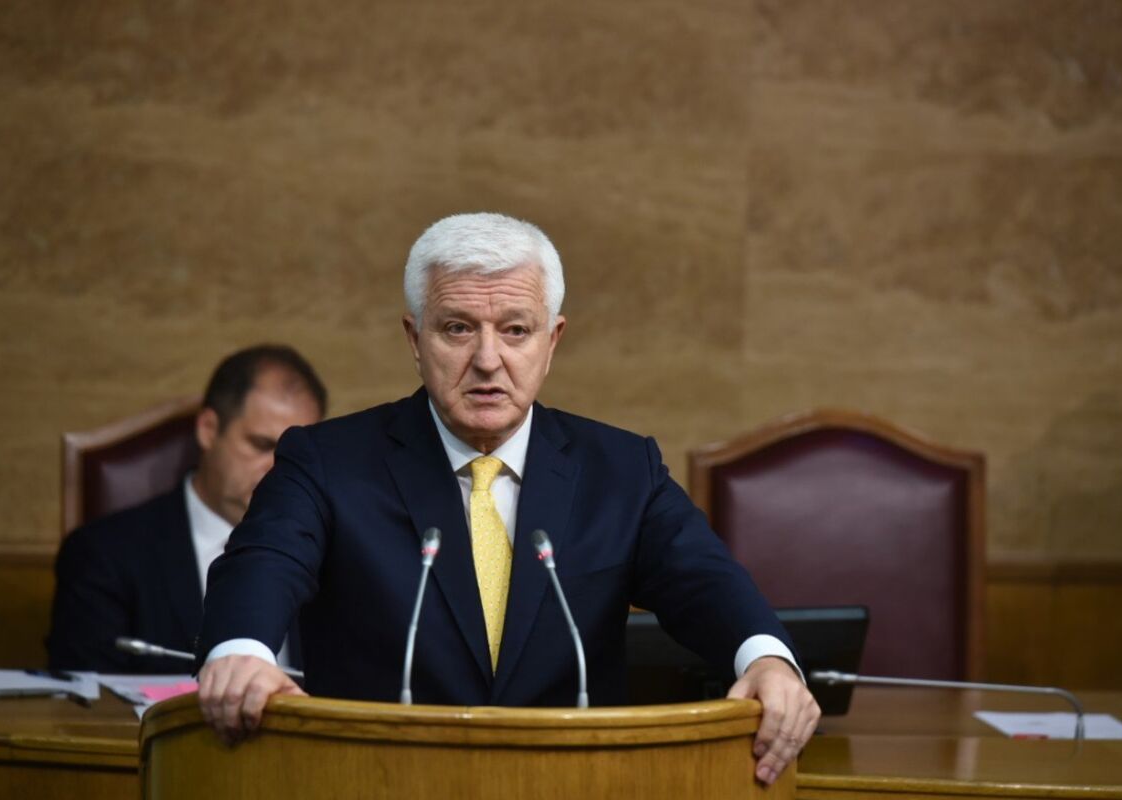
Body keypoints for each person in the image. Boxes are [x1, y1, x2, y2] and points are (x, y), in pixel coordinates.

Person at [197, 214, 819, 786]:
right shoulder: (327, 461)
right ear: (415, 338)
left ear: (552, 340)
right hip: (379, 782)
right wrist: (241, 652)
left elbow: (703, 578)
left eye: (516, 330)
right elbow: (264, 562)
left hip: (572, 787)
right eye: (458, 328)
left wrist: (766, 657)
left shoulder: (622, 469)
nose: (488, 360)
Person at [46, 344, 326, 673]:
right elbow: (88, 692)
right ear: (208, 429)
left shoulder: (330, 554)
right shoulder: (104, 554)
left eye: (294, 456)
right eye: (262, 445)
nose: (278, 469)